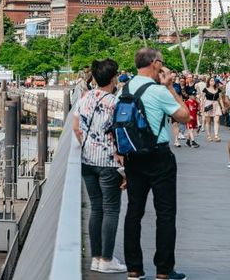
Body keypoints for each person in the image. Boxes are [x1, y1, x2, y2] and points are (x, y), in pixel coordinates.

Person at [123, 48, 190, 280]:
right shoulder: (159, 91)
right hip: (158, 156)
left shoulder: (125, 88)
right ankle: (163, 269)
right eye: (161, 63)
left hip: (132, 157)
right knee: (165, 213)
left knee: (134, 211)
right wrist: (170, 87)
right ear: (154, 64)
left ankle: (133, 267)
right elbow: (184, 116)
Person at [72, 58, 127, 274]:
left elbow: (76, 128)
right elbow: (121, 133)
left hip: (88, 161)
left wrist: (86, 145)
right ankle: (106, 258)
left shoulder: (84, 98)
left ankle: (95, 257)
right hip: (109, 162)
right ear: (113, 78)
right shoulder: (115, 103)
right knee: (111, 209)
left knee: (96, 208)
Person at [202, 77, 222, 142]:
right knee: (208, 121)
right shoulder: (205, 89)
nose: (213, 82)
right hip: (208, 104)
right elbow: (202, 99)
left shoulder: (218, 90)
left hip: (216, 104)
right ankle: (209, 136)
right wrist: (201, 107)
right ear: (208, 82)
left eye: (214, 81)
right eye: (211, 81)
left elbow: (220, 99)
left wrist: (223, 106)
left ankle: (216, 135)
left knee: (217, 120)